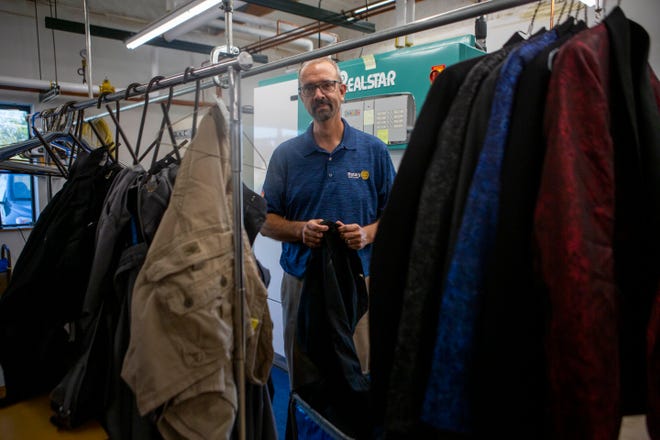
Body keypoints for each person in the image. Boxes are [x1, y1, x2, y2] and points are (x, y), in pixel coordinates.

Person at [260, 56, 396, 390]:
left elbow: (394, 215)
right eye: (310, 88)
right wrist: (299, 230)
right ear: (302, 97)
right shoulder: (286, 156)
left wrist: (366, 234)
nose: (319, 94)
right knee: (305, 375)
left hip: (357, 284)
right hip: (302, 282)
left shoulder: (374, 151)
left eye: (326, 85)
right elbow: (264, 220)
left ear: (342, 91)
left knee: (359, 374)